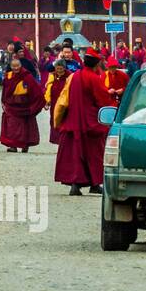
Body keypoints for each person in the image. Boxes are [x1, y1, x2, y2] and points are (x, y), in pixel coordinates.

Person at [53, 49, 114, 195]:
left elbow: (64, 99)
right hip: (91, 123)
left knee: (75, 154)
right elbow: (103, 100)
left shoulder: (74, 76)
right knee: (94, 155)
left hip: (73, 121)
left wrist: (58, 119)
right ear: (96, 64)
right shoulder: (94, 78)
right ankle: (94, 183)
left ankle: (75, 185)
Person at [0, 55, 45, 152]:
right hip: (12, 105)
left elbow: (36, 91)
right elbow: (5, 90)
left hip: (24, 105)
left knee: (25, 126)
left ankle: (25, 145)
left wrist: (36, 105)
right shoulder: (9, 76)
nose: (16, 68)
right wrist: (3, 101)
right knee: (12, 126)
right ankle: (13, 146)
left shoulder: (27, 76)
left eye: (17, 66)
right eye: (13, 66)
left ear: (21, 65)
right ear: (11, 66)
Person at [43, 59, 70, 147]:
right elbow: (48, 88)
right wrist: (47, 101)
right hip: (54, 102)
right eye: (57, 69)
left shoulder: (69, 76)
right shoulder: (52, 76)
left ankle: (64, 140)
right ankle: (57, 140)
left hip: (65, 103)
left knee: (65, 120)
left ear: (64, 68)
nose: (59, 71)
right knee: (54, 120)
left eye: (61, 69)